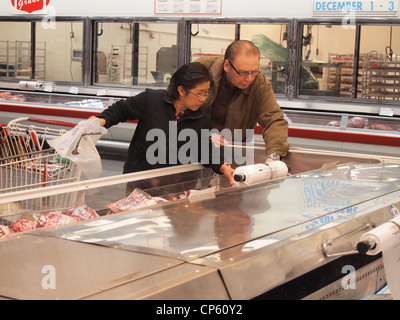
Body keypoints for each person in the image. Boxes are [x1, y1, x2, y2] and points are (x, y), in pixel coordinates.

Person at [91, 62, 235, 187]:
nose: (203, 99)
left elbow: (207, 149)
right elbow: (121, 110)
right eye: (199, 93)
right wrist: (100, 121)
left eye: (206, 93)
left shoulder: (202, 117)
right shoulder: (151, 100)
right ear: (181, 90)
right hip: (141, 180)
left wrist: (223, 166)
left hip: (175, 185)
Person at [194, 40, 290, 162]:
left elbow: (273, 119)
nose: (249, 79)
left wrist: (274, 155)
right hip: (193, 151)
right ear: (227, 65)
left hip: (234, 154)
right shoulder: (202, 70)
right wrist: (205, 136)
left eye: (254, 71)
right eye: (243, 73)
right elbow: (180, 113)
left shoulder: (259, 83)